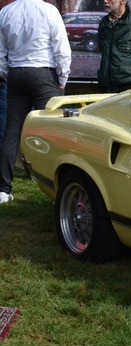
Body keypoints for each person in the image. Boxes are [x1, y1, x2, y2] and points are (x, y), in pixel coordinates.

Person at [0, 0, 71, 204]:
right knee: (50, 132)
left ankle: (3, 189)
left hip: (16, 73)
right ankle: (55, 187)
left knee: (12, 132)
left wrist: (5, 73)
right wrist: (63, 77)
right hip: (43, 73)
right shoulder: (49, 10)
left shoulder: (6, 12)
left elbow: (1, 50)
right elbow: (61, 47)